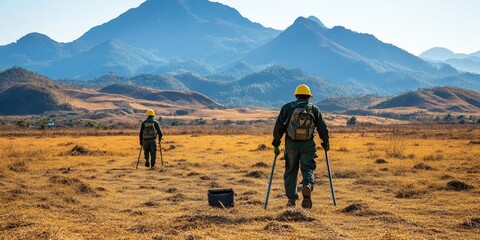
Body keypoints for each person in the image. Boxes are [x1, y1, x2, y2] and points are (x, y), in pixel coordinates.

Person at [272, 84, 329, 208]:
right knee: (307, 168)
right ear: (308, 97)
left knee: (291, 170)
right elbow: (323, 128)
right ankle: (307, 185)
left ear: (296, 95)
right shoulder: (314, 109)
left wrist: (276, 144)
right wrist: (325, 143)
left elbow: (279, 127)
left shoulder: (287, 108)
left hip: (291, 144)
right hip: (308, 144)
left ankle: (292, 200)